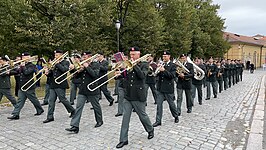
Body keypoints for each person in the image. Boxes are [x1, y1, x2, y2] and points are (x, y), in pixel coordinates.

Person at [115, 46, 154, 149]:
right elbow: (125, 76)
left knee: (142, 116)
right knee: (125, 118)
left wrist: (135, 65)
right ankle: (123, 140)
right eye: (130, 54)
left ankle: (150, 129)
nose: (131, 56)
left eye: (133, 54)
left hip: (138, 95)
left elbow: (142, 76)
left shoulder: (144, 64)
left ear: (138, 54)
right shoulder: (128, 64)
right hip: (128, 95)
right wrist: (118, 75)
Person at [65, 52, 103, 133]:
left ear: (90, 57)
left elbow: (95, 75)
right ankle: (75, 126)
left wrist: (87, 67)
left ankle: (99, 120)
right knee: (78, 107)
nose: (83, 59)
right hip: (83, 90)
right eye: (83, 57)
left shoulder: (95, 64)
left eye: (85, 57)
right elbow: (76, 76)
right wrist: (73, 70)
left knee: (96, 106)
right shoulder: (82, 65)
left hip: (92, 89)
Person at [7, 52, 44, 120]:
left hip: (29, 86)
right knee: (20, 101)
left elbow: (26, 72)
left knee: (33, 99)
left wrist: (23, 66)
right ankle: (16, 114)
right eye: (22, 57)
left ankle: (40, 109)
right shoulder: (22, 65)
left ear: (28, 58)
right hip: (22, 86)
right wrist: (9, 72)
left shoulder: (32, 65)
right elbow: (18, 72)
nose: (23, 59)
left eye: (24, 57)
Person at [43, 50, 75, 123]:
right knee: (51, 101)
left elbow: (64, 70)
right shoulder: (54, 63)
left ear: (61, 55)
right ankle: (50, 116)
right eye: (55, 55)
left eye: (57, 55)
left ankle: (72, 110)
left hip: (60, 84)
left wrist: (57, 64)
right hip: (53, 84)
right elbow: (52, 73)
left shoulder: (66, 62)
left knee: (63, 99)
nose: (55, 56)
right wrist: (47, 73)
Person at [153, 51, 179, 127]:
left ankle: (176, 115)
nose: (163, 58)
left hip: (168, 88)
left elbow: (172, 76)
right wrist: (157, 70)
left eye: (165, 56)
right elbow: (156, 75)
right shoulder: (161, 64)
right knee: (159, 105)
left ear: (169, 56)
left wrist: (164, 70)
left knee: (171, 104)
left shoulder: (173, 65)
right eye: (163, 56)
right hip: (160, 88)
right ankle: (158, 121)